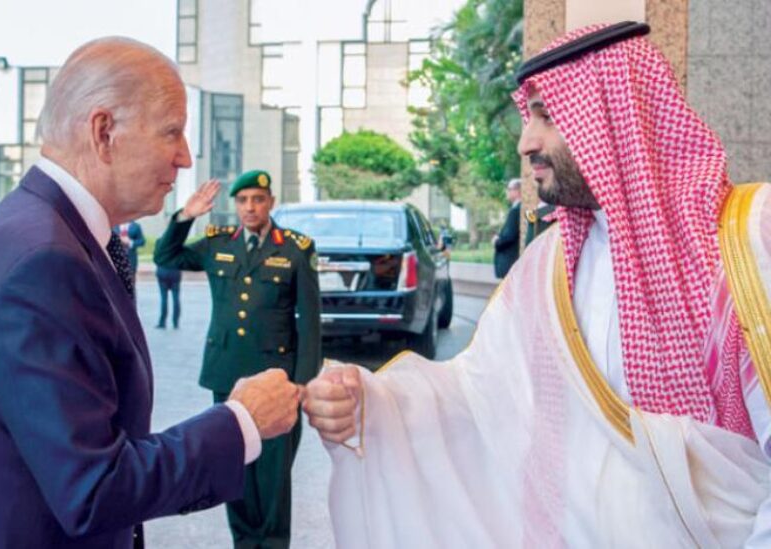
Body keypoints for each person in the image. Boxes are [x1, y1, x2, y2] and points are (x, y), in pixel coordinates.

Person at [303, 21, 771, 547]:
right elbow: (477, 399)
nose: (527, 142)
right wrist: (370, 403)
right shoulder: (547, 265)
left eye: (547, 114)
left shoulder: (749, 236)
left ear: (617, 112)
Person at [0, 37, 302, 548]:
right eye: (172, 131)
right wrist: (242, 422)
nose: (185, 157)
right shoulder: (44, 259)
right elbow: (93, 487)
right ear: (104, 132)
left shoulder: (33, 229)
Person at [154, 169, 321, 547]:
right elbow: (167, 255)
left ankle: (274, 544)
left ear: (271, 203)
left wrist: (303, 382)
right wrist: (187, 215)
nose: (250, 207)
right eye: (243, 200)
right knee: (239, 469)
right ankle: (245, 543)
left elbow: (310, 320)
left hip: (279, 379)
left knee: (274, 478)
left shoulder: (296, 248)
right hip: (228, 376)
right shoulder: (217, 243)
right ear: (236, 205)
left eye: (258, 199)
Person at [492, 178, 522, 278]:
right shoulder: (517, 209)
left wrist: (497, 241)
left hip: (510, 262)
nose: (507, 192)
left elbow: (509, 236)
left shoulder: (516, 210)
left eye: (509, 189)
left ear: (518, 191)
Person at [114, 220, 146, 285]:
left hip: (131, 260)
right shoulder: (114, 225)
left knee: (131, 283)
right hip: (116, 260)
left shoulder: (136, 226)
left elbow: (142, 241)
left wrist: (130, 242)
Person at [155, 265, 182, 329]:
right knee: (176, 298)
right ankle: (175, 322)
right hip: (175, 271)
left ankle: (162, 321)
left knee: (164, 298)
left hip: (162, 271)